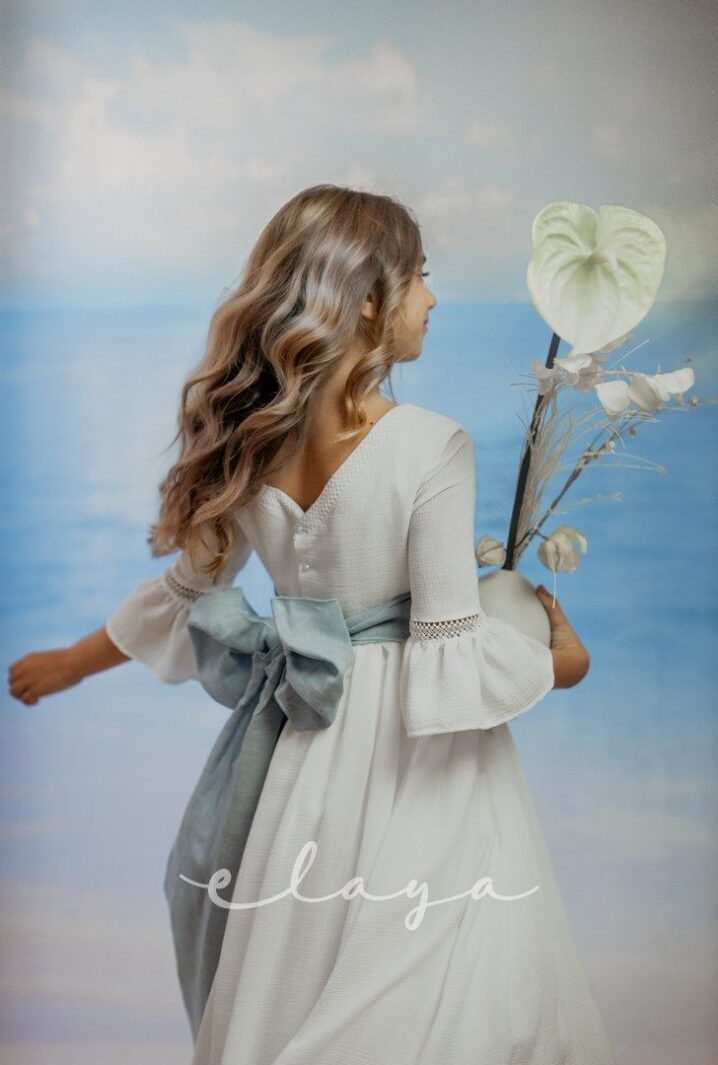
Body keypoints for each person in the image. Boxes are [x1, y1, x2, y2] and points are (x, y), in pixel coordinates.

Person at [7, 184, 616, 1064]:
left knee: (293, 967)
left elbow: (186, 593)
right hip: (417, 760)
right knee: (446, 986)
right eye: (420, 276)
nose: (433, 298)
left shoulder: (250, 441)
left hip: (300, 747)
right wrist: (561, 661)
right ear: (369, 299)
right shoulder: (431, 445)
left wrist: (70, 661)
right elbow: (447, 646)